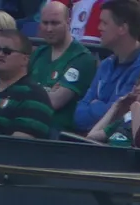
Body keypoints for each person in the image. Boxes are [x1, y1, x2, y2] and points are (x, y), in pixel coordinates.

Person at [74, 0, 140, 132]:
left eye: (104, 23)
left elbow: (118, 115)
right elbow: (78, 115)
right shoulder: (105, 65)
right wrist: (103, 107)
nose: (99, 28)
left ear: (123, 28)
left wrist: (94, 105)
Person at [29, 0, 97, 131]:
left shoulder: (82, 58)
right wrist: (47, 91)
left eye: (55, 23)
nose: (49, 29)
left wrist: (31, 91)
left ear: (68, 22)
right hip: (30, 125)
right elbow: (18, 89)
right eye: (45, 23)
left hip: (59, 134)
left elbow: (54, 102)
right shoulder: (39, 53)